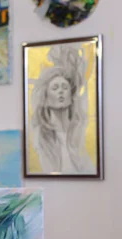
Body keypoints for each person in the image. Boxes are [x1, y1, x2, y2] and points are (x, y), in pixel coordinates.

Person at [31, 45, 95, 174]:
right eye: (55, 88)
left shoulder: (80, 131)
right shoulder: (40, 137)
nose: (61, 91)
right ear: (45, 99)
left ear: (71, 96)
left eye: (64, 87)